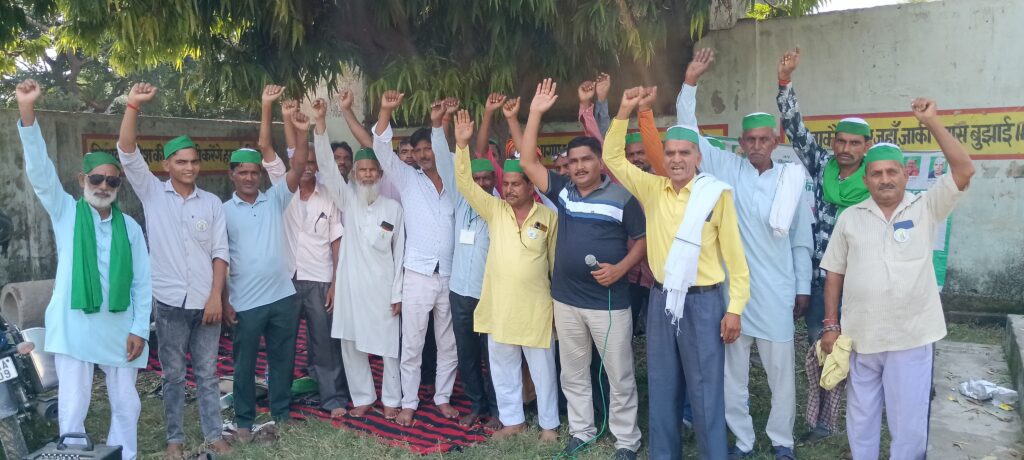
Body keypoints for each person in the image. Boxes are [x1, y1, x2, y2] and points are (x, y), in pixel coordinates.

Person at [675, 49, 812, 460]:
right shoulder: (727, 168)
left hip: (776, 292)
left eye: (763, 139)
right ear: (741, 143)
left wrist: (802, 288)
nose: (756, 145)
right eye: (749, 140)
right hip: (734, 295)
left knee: (780, 374)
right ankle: (743, 441)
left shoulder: (789, 180)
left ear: (776, 141)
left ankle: (782, 441)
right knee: (732, 374)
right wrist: (690, 83)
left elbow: (800, 239)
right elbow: (689, 135)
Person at [819, 98, 973, 460]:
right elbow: (834, 273)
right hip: (861, 336)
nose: (885, 179)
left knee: (908, 421)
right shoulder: (851, 217)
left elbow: (964, 170)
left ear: (906, 174)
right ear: (866, 178)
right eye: (876, 173)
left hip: (910, 336)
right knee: (861, 417)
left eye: (892, 172)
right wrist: (830, 325)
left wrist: (932, 122)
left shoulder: (925, 207)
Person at [606, 86, 750, 460]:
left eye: (684, 153)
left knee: (705, 391)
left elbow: (736, 261)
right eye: (669, 153)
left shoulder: (716, 195)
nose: (676, 159)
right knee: (662, 385)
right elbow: (612, 157)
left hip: (703, 304)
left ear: (698, 157)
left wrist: (734, 309)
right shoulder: (652, 189)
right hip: (661, 298)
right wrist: (623, 110)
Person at [16, 79, 152, 460]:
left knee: (126, 403)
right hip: (74, 323)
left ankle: (124, 455)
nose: (104, 186)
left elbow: (142, 283)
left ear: (118, 185)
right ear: (82, 181)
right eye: (96, 179)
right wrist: (27, 111)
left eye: (112, 180)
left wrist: (140, 329)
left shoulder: (131, 228)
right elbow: (40, 172)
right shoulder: (66, 213)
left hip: (119, 326)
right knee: (73, 403)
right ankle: (73, 455)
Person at [518, 78, 645, 460]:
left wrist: (621, 269)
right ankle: (582, 431)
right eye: (572, 161)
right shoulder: (563, 191)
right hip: (567, 300)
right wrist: (535, 113)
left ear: (600, 162)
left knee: (618, 374)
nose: (578, 166)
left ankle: (627, 440)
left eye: (586, 159)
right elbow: (527, 162)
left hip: (608, 302)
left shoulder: (623, 197)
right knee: (573, 373)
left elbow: (643, 240)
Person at [115, 83, 231, 458]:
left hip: (206, 303)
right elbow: (126, 151)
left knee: (208, 373)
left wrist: (216, 297)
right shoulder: (152, 192)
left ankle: (214, 434)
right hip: (168, 303)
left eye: (194, 161)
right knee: (174, 375)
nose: (189, 167)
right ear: (167, 165)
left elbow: (220, 253)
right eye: (181, 162)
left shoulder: (211, 203)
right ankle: (175, 439)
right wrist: (133, 105)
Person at [776, 47, 871, 442]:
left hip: (863, 284)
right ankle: (823, 422)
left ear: (867, 147)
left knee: (864, 356)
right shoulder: (822, 166)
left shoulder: (877, 180)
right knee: (822, 350)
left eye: (854, 143)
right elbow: (795, 128)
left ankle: (861, 421)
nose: (845, 148)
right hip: (821, 281)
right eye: (840, 141)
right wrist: (785, 82)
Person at [452, 109, 561, 442]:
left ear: (530, 185)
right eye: (507, 184)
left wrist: (558, 310)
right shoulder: (495, 210)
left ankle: (549, 425)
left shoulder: (548, 217)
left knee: (543, 370)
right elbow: (465, 185)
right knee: (502, 367)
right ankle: (513, 421)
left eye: (516, 184)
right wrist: (461, 146)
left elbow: (554, 265)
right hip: (499, 307)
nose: (509, 189)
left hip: (535, 309)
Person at [309, 98, 406, 420]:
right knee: (351, 345)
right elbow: (326, 165)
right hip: (351, 288)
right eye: (362, 170)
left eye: (372, 170)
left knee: (389, 347)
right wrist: (320, 123)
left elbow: (400, 253)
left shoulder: (393, 209)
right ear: (354, 173)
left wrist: (398, 293)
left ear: (380, 174)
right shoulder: (347, 199)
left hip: (383, 290)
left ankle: (391, 399)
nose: (366, 175)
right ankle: (363, 397)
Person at [221, 85, 307, 444]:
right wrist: (223, 300)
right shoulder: (222, 212)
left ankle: (281, 412)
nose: (249, 177)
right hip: (245, 301)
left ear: (260, 174)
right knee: (244, 364)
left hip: (282, 296)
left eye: (254, 172)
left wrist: (300, 131)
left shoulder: (275, 199)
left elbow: (298, 166)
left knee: (282, 358)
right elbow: (219, 260)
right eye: (242, 172)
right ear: (232, 175)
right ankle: (244, 417)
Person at [370, 91, 460, 427]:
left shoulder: (455, 181)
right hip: (418, 275)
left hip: (450, 274)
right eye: (418, 150)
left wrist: (442, 124)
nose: (422, 155)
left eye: (428, 148)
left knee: (448, 343)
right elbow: (382, 149)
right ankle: (409, 402)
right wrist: (385, 110)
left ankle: (443, 398)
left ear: (439, 149)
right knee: (412, 344)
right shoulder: (407, 179)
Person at [267, 98, 350, 418]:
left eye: (314, 162)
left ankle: (333, 399)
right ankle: (280, 400)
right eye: (305, 161)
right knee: (283, 342)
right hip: (286, 279)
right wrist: (284, 116)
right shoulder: (282, 191)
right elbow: (272, 148)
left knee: (324, 343)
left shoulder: (328, 196)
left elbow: (336, 242)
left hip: (320, 279)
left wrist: (335, 283)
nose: (309, 166)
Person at [435, 95, 503, 429]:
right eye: (477, 180)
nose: (483, 184)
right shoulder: (461, 200)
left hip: (490, 294)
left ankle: (499, 409)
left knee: (495, 356)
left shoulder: (502, 208)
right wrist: (450, 133)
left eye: (488, 178)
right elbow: (448, 163)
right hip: (460, 292)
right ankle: (477, 405)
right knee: (467, 354)